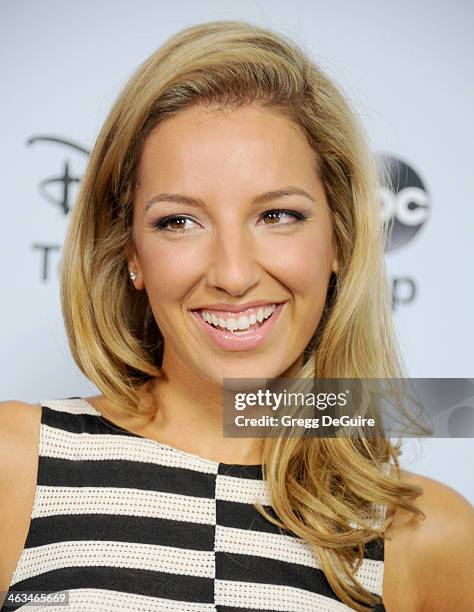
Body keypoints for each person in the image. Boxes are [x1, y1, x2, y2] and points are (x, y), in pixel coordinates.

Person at [1, 19, 473, 612]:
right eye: (179, 221)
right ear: (131, 253)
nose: (232, 273)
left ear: (339, 241)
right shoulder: (16, 463)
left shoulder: (428, 537)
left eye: (277, 215)